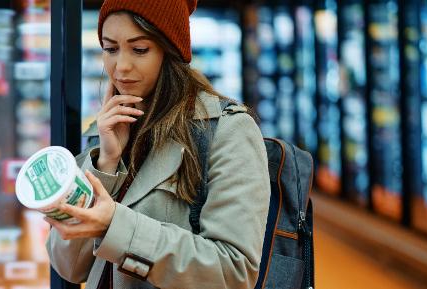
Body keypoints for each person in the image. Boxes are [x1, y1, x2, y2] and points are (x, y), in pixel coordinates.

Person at [45, 0, 271, 288]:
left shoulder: (226, 130)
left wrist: (115, 225)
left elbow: (234, 272)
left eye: (140, 49)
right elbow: (69, 267)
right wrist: (106, 164)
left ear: (170, 50)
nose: (121, 67)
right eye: (110, 48)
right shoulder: (107, 130)